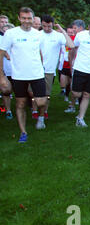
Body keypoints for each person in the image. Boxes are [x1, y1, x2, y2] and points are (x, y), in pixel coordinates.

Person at [0, 7, 47, 143]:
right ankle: (23, 132)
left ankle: (41, 117)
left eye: (29, 18)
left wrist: (42, 66)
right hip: (19, 75)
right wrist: (1, 75)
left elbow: (40, 52)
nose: (27, 21)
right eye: (24, 18)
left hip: (37, 73)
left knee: (41, 101)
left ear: (33, 19)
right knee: (20, 103)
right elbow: (1, 52)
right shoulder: (11, 34)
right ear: (19, 18)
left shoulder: (38, 34)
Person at [39, 15, 74, 119]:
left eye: (49, 26)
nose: (46, 29)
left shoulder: (58, 36)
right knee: (34, 93)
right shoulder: (37, 35)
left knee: (46, 94)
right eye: (44, 26)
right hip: (36, 68)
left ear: (53, 25)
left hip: (49, 70)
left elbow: (71, 45)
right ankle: (35, 110)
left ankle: (44, 111)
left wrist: (62, 31)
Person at [1, 23, 14, 119]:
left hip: (17, 71)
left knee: (20, 93)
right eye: (4, 31)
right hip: (5, 70)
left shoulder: (16, 41)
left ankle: (21, 109)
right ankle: (8, 110)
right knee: (6, 91)